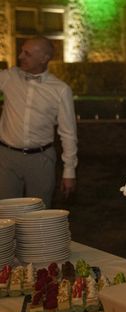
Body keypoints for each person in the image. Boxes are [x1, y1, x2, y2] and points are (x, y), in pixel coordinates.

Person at [0, 37, 78, 208]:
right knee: (5, 215)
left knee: (38, 217)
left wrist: (69, 171)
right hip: (6, 158)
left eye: (27, 53)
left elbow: (68, 133)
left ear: (44, 58)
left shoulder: (60, 90)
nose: (20, 56)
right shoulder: (8, 78)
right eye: (21, 51)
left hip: (41, 160)